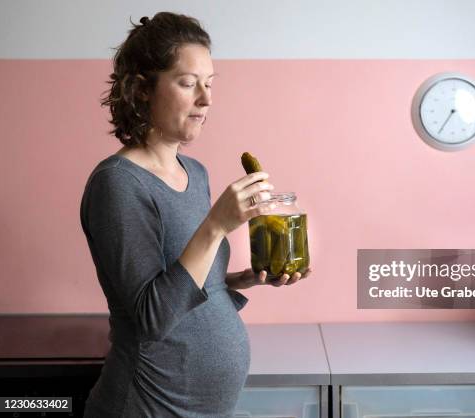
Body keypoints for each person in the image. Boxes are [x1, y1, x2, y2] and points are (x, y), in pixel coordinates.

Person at [80, 12, 311, 417]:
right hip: (147, 405)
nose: (206, 98)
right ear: (141, 89)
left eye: (210, 83)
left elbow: (184, 280)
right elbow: (153, 316)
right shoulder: (117, 184)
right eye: (188, 83)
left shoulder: (196, 173)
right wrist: (218, 223)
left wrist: (243, 280)